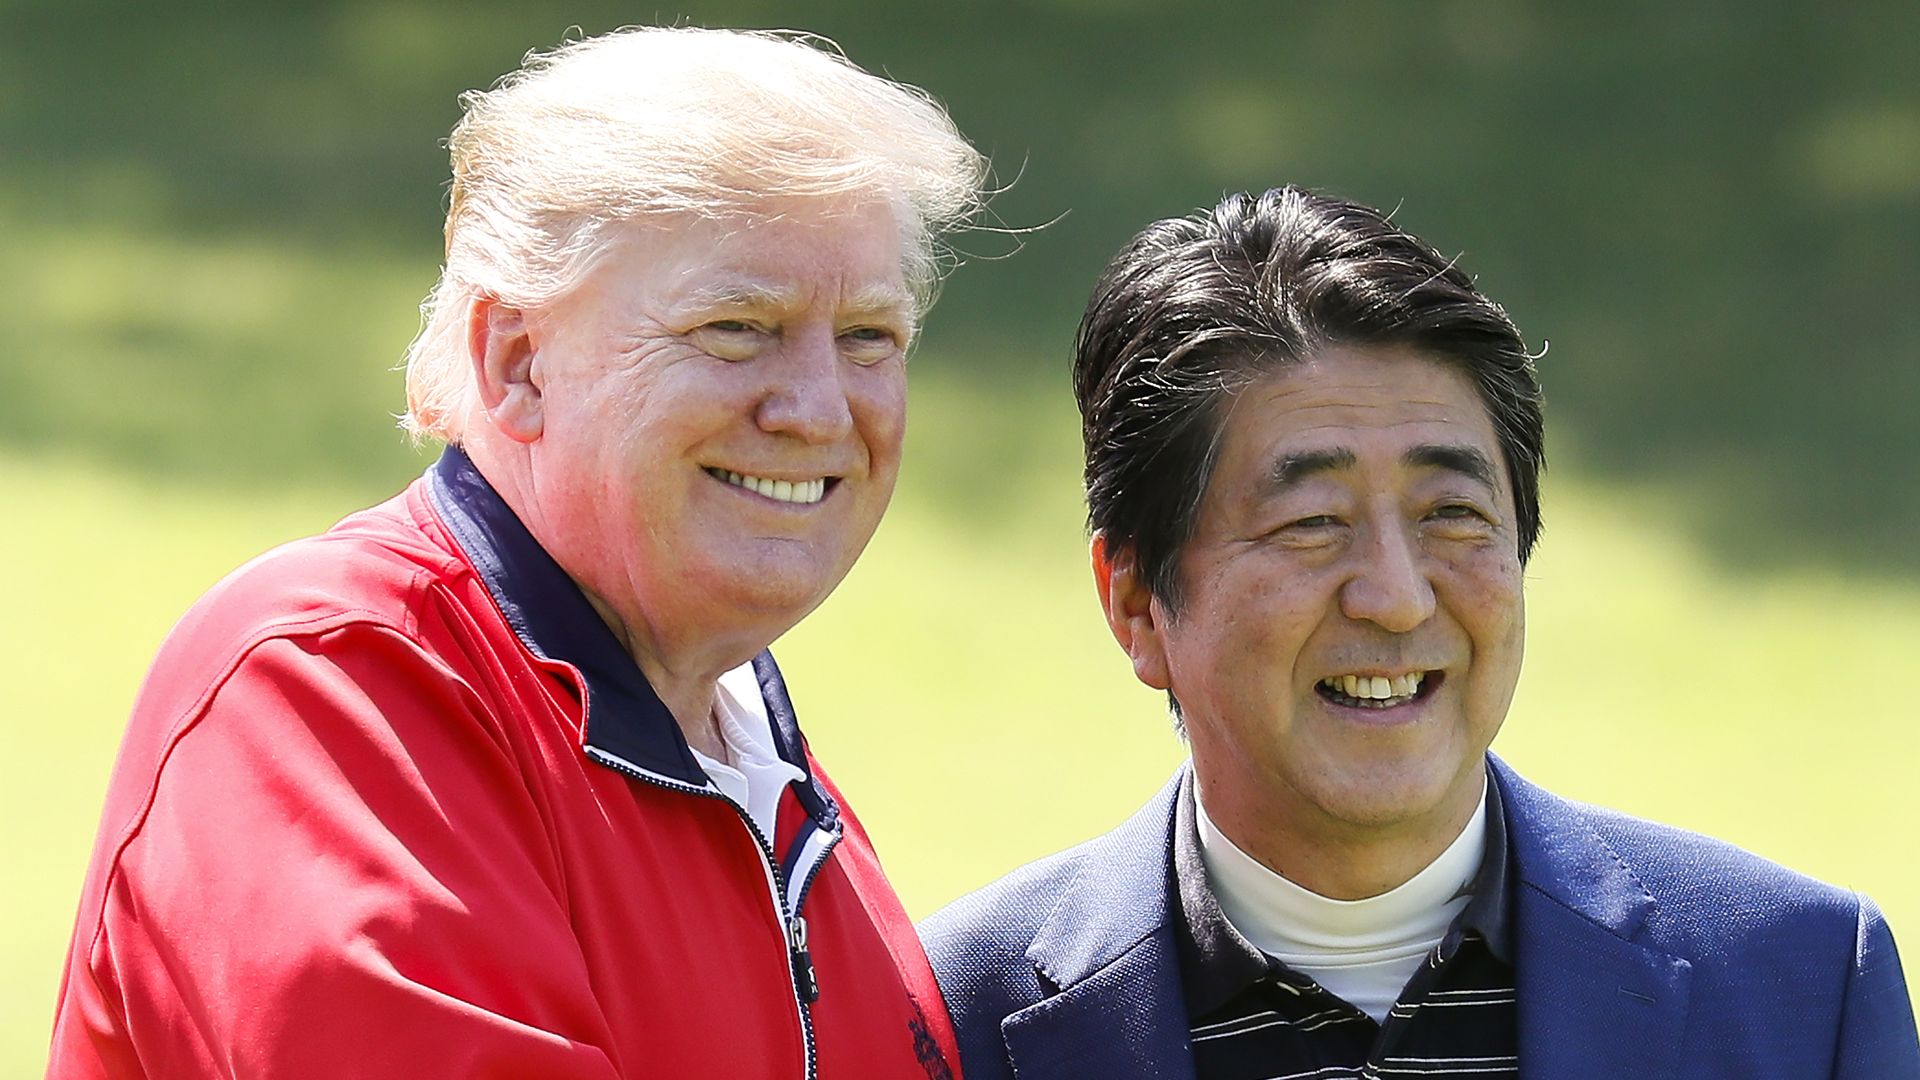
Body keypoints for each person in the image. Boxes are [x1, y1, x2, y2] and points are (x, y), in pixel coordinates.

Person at [50, 27, 985, 1079]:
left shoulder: (753, 763)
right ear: (518, 362)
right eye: (736, 326)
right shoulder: (333, 685)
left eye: (869, 336)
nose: (820, 407)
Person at [920, 187, 1920, 1078]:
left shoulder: (1802, 990)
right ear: (1135, 602)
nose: (1396, 599)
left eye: (1452, 515)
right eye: (1312, 525)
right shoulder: (948, 1022)